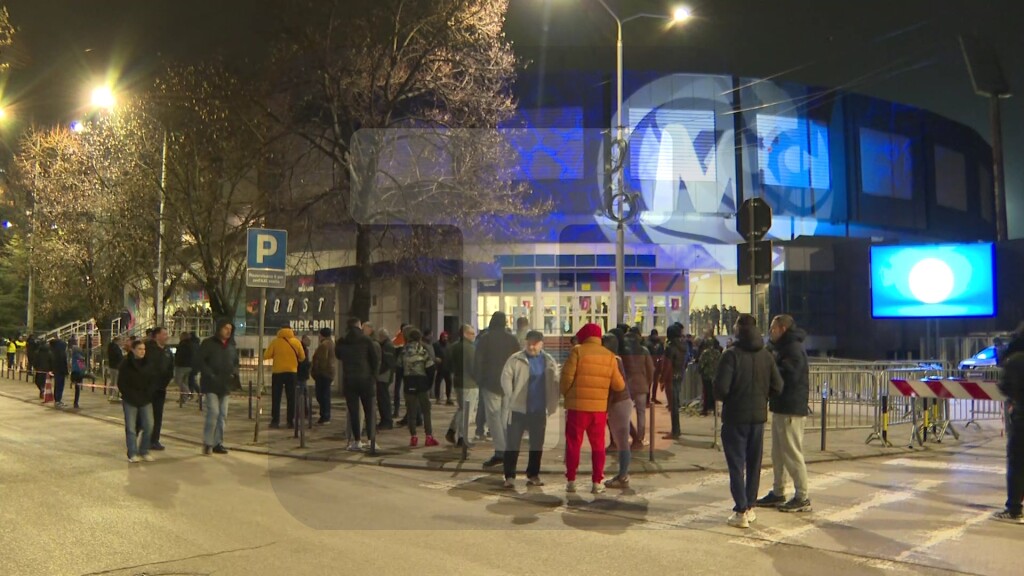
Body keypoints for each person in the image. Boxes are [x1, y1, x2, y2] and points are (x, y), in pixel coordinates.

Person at [714, 313, 783, 529]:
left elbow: (721, 389)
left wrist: (729, 396)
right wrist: (763, 397)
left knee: (736, 465)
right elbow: (778, 386)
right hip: (758, 418)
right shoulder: (766, 355)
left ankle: (741, 509)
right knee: (754, 463)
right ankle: (750, 506)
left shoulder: (731, 355)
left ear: (737, 329)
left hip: (735, 417)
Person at [560, 323, 626, 494]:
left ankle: (571, 480)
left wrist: (567, 394)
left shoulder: (577, 351)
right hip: (598, 410)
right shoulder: (609, 356)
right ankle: (597, 482)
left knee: (573, 444)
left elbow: (566, 379)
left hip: (577, 408)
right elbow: (619, 385)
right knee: (598, 445)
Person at [755, 315, 812, 513]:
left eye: (773, 328)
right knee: (778, 454)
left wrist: (771, 363)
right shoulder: (780, 347)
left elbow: (789, 376)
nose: (770, 332)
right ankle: (778, 491)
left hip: (791, 408)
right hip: (781, 406)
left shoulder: (793, 348)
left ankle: (802, 496)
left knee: (792, 453)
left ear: (782, 329)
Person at [501, 330, 559, 489]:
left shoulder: (548, 360)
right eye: (529, 343)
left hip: (538, 410)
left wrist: (552, 404)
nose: (532, 346)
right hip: (518, 410)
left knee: (536, 445)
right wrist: (511, 396)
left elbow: (555, 382)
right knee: (512, 444)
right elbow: (506, 378)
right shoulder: (515, 359)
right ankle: (509, 476)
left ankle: (533, 474)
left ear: (541, 344)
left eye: (535, 343)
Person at [475, 311, 522, 468]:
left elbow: (478, 361)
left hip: (490, 383)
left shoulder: (485, 339)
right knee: (504, 418)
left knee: (493, 418)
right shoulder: (512, 339)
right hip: (508, 384)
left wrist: (479, 380)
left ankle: (500, 452)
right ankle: (508, 450)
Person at [336, 318, 381, 451]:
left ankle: (357, 440)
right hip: (366, 379)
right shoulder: (366, 340)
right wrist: (374, 376)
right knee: (369, 410)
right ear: (359, 325)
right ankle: (371, 440)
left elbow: (339, 355)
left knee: (354, 411)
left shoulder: (342, 341)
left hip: (349, 379)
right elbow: (374, 359)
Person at [994, 323, 1024, 523]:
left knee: (1017, 462)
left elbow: (1005, 386)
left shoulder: (1015, 359)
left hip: (1022, 416)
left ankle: (1014, 508)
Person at [198, 318, 238, 455]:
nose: (228, 331)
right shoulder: (208, 343)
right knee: (213, 412)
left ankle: (217, 443)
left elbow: (235, 362)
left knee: (222, 415)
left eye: (230, 329)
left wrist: (234, 374)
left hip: (225, 385)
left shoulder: (231, 346)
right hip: (211, 385)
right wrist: (209, 374)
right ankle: (208, 442)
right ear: (219, 328)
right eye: (226, 328)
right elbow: (200, 361)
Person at [602, 334, 634, 489]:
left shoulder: (613, 360)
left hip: (619, 403)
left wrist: (606, 407)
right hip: (621, 402)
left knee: (622, 441)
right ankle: (622, 474)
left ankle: (623, 475)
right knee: (621, 440)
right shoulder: (616, 359)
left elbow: (614, 386)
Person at [399, 327, 437, 447]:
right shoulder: (423, 350)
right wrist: (428, 384)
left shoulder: (403, 351)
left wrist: (404, 379)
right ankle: (428, 437)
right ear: (419, 338)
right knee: (426, 411)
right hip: (422, 383)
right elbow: (431, 368)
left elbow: (398, 368)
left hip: (409, 382)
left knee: (411, 411)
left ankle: (413, 437)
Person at [118, 339, 154, 463]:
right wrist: (128, 394)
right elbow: (121, 382)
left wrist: (149, 393)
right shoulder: (126, 364)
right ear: (133, 350)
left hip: (145, 398)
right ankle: (132, 453)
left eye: (144, 349)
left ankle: (144, 450)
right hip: (130, 399)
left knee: (149, 425)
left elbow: (152, 380)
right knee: (131, 428)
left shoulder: (148, 363)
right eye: (139, 349)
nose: (142, 351)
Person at [264, 327, 305, 429]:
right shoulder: (296, 342)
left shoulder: (275, 342)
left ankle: (275, 421)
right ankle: (290, 421)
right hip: (292, 373)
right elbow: (302, 357)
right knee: (291, 397)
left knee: (276, 397)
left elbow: (266, 355)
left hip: (278, 372)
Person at [622, 327, 654, 449]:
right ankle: (640, 438)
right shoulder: (644, 351)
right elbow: (650, 369)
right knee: (641, 413)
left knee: (625, 413)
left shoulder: (624, 351)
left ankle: (627, 435)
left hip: (627, 385)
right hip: (641, 384)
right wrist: (648, 382)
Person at [446, 324, 477, 447]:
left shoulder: (453, 347)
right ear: (465, 334)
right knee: (467, 411)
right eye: (472, 333)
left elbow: (448, 364)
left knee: (462, 408)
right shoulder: (470, 348)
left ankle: (452, 430)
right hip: (469, 383)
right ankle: (462, 437)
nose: (474, 336)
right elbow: (474, 367)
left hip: (458, 381)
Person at [145, 327, 175, 451]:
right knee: (145, 415)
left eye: (167, 334)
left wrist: (167, 380)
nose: (167, 336)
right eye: (164, 334)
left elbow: (171, 367)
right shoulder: (147, 348)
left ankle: (154, 440)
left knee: (158, 415)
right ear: (157, 335)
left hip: (161, 388)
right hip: (147, 387)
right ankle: (141, 438)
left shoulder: (167, 350)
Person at [660, 324, 688, 440]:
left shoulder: (670, 347)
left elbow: (667, 365)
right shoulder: (683, 345)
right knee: (675, 404)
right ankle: (676, 429)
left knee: (673, 405)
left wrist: (662, 379)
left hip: (670, 377)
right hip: (679, 375)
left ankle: (675, 430)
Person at [311, 327, 336, 425]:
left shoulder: (324, 345)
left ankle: (325, 416)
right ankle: (326, 416)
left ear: (321, 335)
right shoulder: (332, 344)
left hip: (323, 373)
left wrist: (315, 371)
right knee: (325, 395)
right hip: (329, 373)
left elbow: (321, 360)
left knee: (321, 395)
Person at [376, 328, 396, 429]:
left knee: (384, 399)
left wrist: (378, 372)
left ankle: (386, 421)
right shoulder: (386, 345)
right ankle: (385, 420)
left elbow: (387, 362)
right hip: (384, 375)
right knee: (382, 398)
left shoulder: (387, 346)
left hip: (384, 376)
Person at [698, 336, 723, 417]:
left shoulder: (705, 353)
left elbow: (701, 364)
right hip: (716, 376)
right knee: (714, 393)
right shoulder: (717, 353)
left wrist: (700, 371)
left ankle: (705, 410)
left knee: (706, 393)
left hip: (706, 376)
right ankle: (715, 410)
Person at [175, 332, 195, 407]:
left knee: (178, 381)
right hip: (189, 366)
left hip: (182, 366)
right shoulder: (191, 344)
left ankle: (188, 393)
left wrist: (176, 363)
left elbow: (179, 355)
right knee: (184, 382)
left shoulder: (182, 345)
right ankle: (184, 398)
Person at [432, 331, 453, 405]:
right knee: (438, 383)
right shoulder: (436, 345)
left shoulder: (449, 346)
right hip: (440, 368)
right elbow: (433, 354)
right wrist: (435, 359)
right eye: (444, 337)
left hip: (447, 368)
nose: (445, 339)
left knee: (449, 383)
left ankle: (448, 397)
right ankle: (437, 398)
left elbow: (450, 356)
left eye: (446, 337)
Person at [49, 337, 69, 408]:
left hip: (57, 371)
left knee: (58, 385)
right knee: (59, 386)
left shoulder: (54, 352)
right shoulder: (61, 354)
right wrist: (66, 372)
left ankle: (57, 400)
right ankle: (58, 400)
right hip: (60, 371)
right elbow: (63, 363)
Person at [69, 338, 86, 409]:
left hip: (74, 373)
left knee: (77, 388)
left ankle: (76, 402)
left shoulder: (74, 356)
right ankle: (76, 403)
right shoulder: (79, 358)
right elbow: (82, 367)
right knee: (77, 389)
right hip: (77, 373)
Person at [107, 335, 124, 401]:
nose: (121, 342)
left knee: (113, 381)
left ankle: (111, 395)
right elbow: (119, 356)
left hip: (112, 366)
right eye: (121, 341)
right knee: (116, 381)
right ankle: (114, 395)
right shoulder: (115, 348)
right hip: (116, 366)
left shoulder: (111, 347)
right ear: (117, 341)